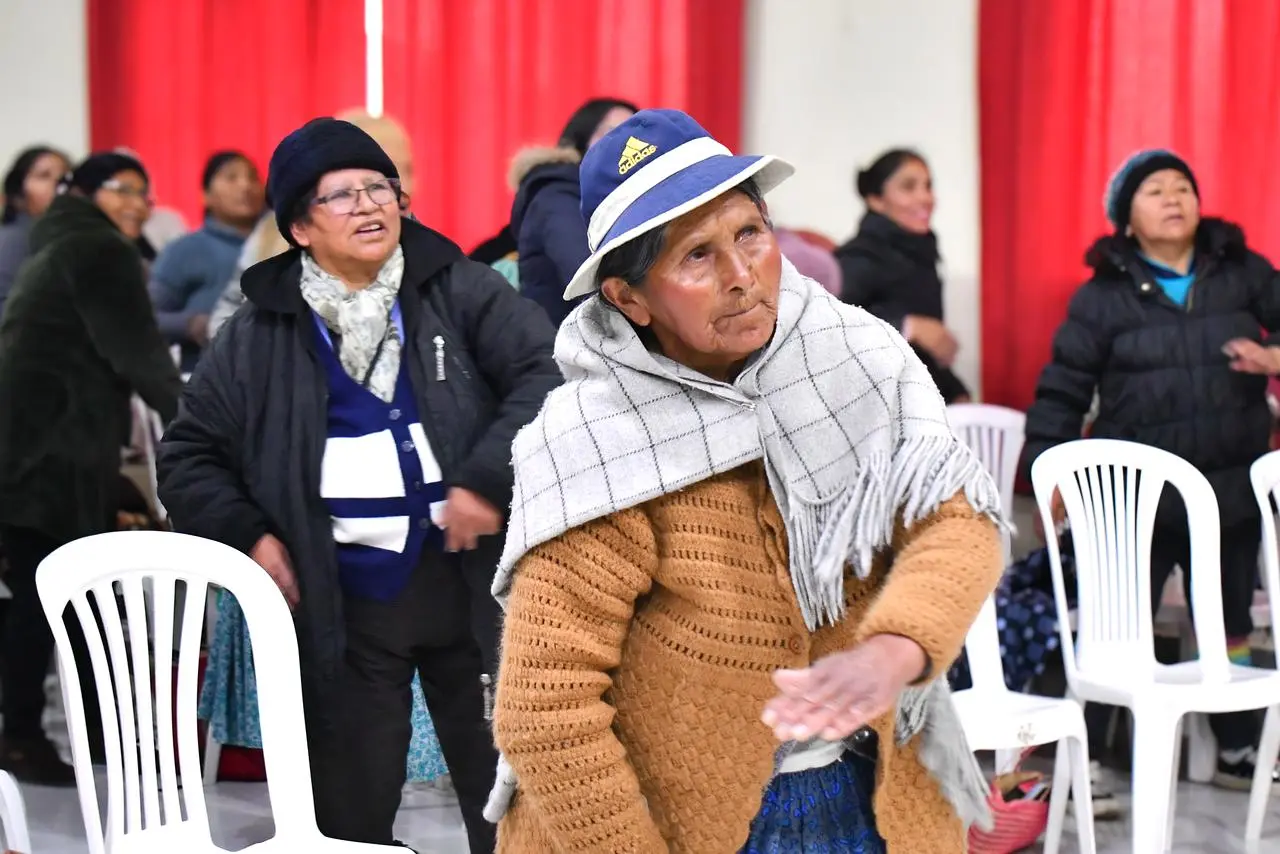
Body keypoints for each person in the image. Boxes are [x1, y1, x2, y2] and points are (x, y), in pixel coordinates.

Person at [486, 109, 1004, 853]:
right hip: (672, 821)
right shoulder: (594, 441)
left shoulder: (857, 358)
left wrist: (897, 645)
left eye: (750, 233)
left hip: (868, 787)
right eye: (696, 256)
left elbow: (956, 521)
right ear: (628, 300)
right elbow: (547, 708)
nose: (741, 276)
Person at [156, 118, 560, 851]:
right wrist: (250, 535)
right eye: (343, 196)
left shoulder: (455, 286)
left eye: (380, 187)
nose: (371, 205)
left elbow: (544, 375)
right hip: (345, 601)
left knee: (508, 800)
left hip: (473, 588)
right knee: (350, 808)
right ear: (301, 228)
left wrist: (483, 480)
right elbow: (187, 455)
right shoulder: (260, 332)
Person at [1023, 148, 1280, 790]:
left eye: (1184, 187)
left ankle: (1237, 752)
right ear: (1126, 222)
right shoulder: (1101, 298)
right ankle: (1108, 765)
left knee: (1225, 623)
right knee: (1121, 624)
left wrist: (1275, 356)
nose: (1174, 198)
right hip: (1133, 501)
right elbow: (1063, 388)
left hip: (1229, 492)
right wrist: (1045, 472)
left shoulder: (1242, 271)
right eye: (1156, 190)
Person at [0, 151, 182, 784]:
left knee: (69, 596)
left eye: (145, 192)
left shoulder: (60, 244)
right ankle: (22, 738)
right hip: (50, 453)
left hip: (36, 448)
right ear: (83, 192)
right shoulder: (98, 251)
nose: (138, 203)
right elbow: (143, 357)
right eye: (122, 189)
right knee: (46, 598)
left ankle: (103, 736)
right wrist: (202, 426)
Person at [208, 111, 414, 339]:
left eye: (404, 170)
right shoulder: (270, 234)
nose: (366, 204)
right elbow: (226, 317)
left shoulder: (426, 256)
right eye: (344, 191)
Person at [835, 149, 970, 403]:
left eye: (928, 186)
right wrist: (909, 326)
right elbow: (829, 324)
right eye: (909, 187)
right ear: (876, 199)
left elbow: (920, 357)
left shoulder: (920, 254)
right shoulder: (860, 256)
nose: (926, 197)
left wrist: (955, 391)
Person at [509, 97, 637, 326]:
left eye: (634, 136)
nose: (625, 144)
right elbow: (589, 280)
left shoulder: (628, 201)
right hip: (563, 350)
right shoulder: (558, 195)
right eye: (612, 132)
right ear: (581, 137)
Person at [150, 151, 265, 368]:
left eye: (252, 177)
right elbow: (146, 317)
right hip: (209, 381)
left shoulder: (283, 244)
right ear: (206, 195)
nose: (245, 185)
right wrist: (191, 324)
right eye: (231, 177)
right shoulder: (185, 250)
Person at [0, 146, 71, 317]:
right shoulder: (13, 240)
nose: (58, 185)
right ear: (19, 191)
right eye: (44, 176)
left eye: (64, 178)